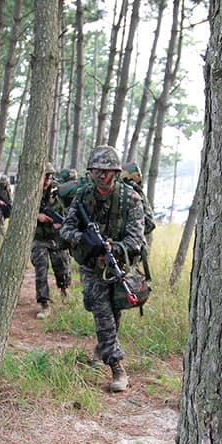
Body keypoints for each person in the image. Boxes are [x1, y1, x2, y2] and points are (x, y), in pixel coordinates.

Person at [61, 146, 145, 392]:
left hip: (120, 263)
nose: (100, 176)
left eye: (106, 172)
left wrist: (113, 247)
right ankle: (117, 365)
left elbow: (135, 240)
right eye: (96, 171)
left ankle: (103, 348)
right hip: (91, 265)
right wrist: (85, 240)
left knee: (113, 308)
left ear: (116, 173)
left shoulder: (130, 199)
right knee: (101, 309)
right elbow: (66, 229)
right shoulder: (83, 197)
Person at [32, 162, 72, 319]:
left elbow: (68, 210)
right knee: (41, 270)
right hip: (39, 238)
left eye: (49, 177)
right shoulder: (30, 190)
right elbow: (19, 210)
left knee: (62, 267)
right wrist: (37, 216)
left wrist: (61, 222)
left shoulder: (59, 191)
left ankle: (64, 290)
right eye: (44, 176)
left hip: (56, 237)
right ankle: (44, 303)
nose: (47, 180)